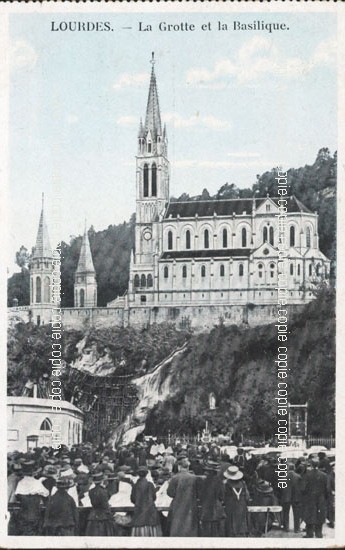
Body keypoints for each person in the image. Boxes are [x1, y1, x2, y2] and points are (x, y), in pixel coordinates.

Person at [167, 455, 199, 536]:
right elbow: (197, 492)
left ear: (179, 466)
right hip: (190, 505)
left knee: (177, 527)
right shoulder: (194, 478)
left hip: (178, 505)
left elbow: (170, 493)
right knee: (190, 527)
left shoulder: (175, 478)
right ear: (188, 466)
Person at [14, 460, 49, 535]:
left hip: (23, 513)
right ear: (33, 473)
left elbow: (17, 495)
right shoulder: (37, 483)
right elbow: (46, 494)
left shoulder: (20, 483)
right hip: (35, 513)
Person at [301, 458, 329, 538]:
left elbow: (303, 488)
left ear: (311, 465)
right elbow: (327, 488)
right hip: (321, 498)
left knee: (309, 515)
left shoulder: (307, 475)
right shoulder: (324, 475)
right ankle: (319, 533)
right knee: (320, 515)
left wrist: (304, 496)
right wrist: (325, 498)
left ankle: (309, 533)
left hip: (310, 498)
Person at [131, 466, 162, 536]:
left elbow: (133, 499)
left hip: (139, 511)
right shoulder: (150, 485)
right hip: (150, 511)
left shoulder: (135, 486)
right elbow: (154, 497)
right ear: (146, 474)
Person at [85, 472, 118, 536]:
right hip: (102, 517)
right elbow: (105, 506)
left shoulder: (91, 491)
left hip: (93, 516)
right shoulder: (103, 491)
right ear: (101, 481)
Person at [199, 460, 225, 537]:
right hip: (216, 510)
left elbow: (201, 496)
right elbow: (222, 495)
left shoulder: (203, 481)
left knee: (206, 533)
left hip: (205, 510)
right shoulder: (219, 481)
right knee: (216, 533)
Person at [223, 465, 249, 537]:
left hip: (230, 504)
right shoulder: (243, 483)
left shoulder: (226, 484)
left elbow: (223, 496)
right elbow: (247, 496)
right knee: (241, 520)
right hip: (241, 504)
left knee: (231, 521)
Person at [280, 463, 302, 533]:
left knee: (286, 513)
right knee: (297, 513)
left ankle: (286, 528)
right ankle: (297, 528)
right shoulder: (298, 476)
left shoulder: (283, 476)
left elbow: (281, 487)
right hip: (296, 497)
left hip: (286, 497)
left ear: (288, 468)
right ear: (294, 468)